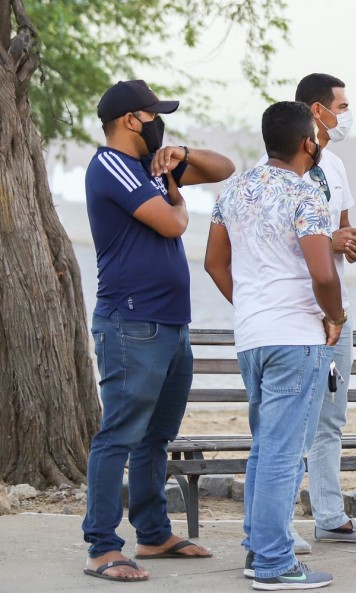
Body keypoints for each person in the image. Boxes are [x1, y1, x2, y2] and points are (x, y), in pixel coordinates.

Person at [82, 79, 234, 582]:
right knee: (119, 435)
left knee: (156, 436)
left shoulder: (153, 165)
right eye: (153, 115)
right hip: (131, 322)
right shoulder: (110, 166)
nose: (157, 122)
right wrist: (180, 204)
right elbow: (172, 225)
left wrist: (181, 154)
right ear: (130, 120)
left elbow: (224, 169)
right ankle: (102, 546)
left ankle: (153, 534)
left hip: (170, 323)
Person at [204, 100, 345, 590]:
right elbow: (324, 272)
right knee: (283, 451)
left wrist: (249, 306)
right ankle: (273, 562)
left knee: (265, 447)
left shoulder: (233, 190)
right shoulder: (306, 195)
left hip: (253, 338)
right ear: (308, 142)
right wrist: (336, 316)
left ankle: (257, 549)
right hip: (294, 336)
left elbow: (214, 264)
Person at [282, 73, 356, 548]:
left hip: (334, 310)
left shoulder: (335, 166)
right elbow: (282, 239)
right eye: (340, 106)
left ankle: (329, 515)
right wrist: (330, 242)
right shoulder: (283, 167)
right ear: (315, 110)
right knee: (290, 421)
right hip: (297, 310)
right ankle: (277, 523)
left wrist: (352, 242)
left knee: (330, 418)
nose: (346, 115)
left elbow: (339, 230)